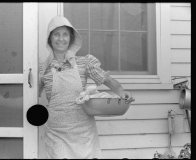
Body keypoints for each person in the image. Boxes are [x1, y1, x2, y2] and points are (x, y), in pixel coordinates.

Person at [39, 15, 135, 159]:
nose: (61, 39)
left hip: (83, 132)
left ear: (71, 38)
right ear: (50, 38)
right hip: (56, 132)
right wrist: (2, 101)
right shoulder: (43, 69)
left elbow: (107, 80)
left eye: (65, 34)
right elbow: (30, 95)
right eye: (56, 34)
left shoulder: (84, 63)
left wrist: (122, 92)